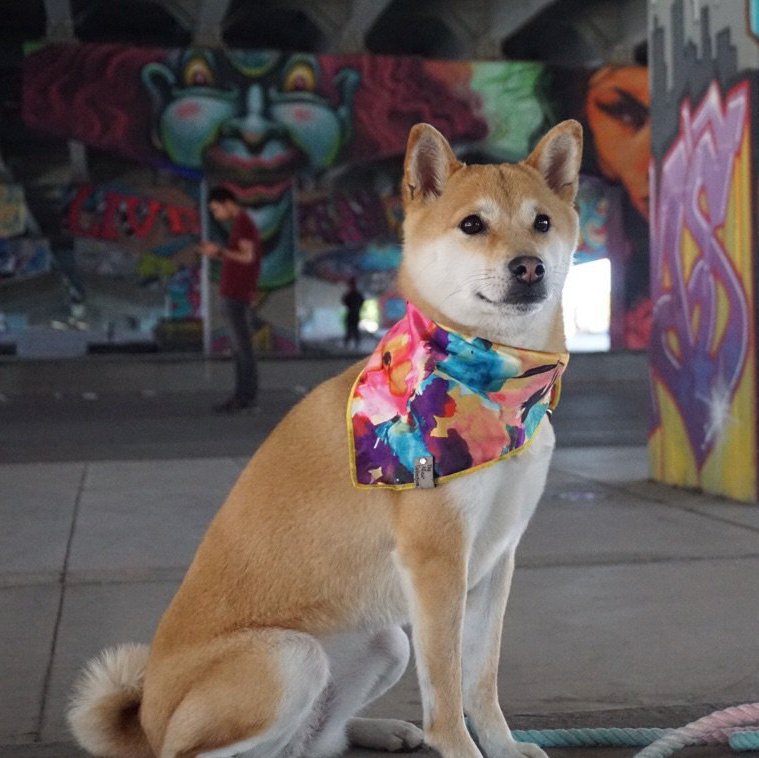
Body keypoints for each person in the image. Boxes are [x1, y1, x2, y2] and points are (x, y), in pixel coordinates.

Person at [199, 187, 262, 413]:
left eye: (216, 209)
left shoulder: (243, 224)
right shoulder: (242, 224)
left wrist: (219, 252)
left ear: (227, 203)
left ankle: (245, 398)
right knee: (240, 348)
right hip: (236, 293)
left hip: (236, 295)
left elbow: (247, 257)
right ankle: (242, 396)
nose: (216, 215)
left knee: (242, 349)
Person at [342, 276, 364, 349]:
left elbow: (344, 301)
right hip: (354, 314)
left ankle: (350, 344)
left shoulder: (352, 294)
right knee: (353, 329)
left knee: (351, 329)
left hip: (352, 314)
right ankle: (354, 344)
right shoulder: (356, 294)